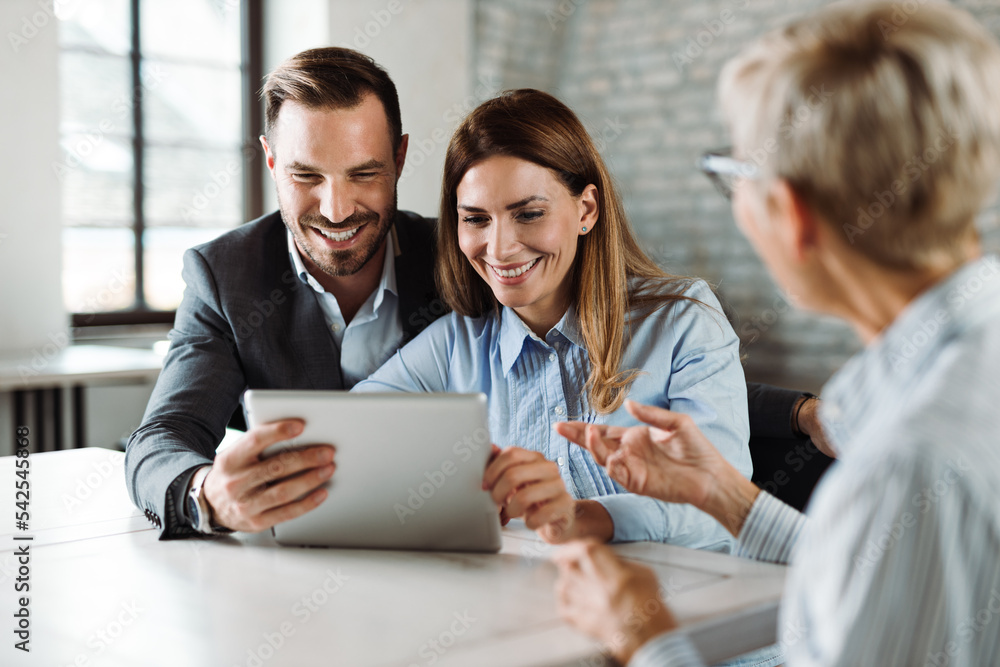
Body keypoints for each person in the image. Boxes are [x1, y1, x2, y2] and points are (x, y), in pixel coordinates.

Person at [552, 2, 1000, 666]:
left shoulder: (908, 462)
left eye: (735, 175)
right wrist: (726, 496)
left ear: (792, 214)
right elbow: (873, 574)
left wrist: (638, 635)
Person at [355, 88, 754, 552]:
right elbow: (350, 441)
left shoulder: (683, 321)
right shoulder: (453, 346)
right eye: (476, 219)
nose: (499, 248)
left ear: (586, 210)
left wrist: (583, 516)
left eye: (529, 214)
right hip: (531, 607)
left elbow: (727, 501)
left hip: (687, 604)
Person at [125, 47, 441, 537]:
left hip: (446, 550)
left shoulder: (460, 258)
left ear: (399, 159)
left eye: (364, 174)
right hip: (286, 573)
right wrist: (206, 494)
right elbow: (163, 438)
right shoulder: (224, 275)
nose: (336, 211)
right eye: (306, 175)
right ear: (271, 160)